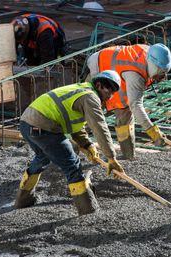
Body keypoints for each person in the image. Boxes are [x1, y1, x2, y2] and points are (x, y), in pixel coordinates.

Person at [16, 70, 125, 216]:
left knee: (42, 157)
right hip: (43, 126)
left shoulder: (81, 90)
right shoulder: (91, 97)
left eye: (113, 91)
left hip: (27, 123)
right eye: (109, 89)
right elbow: (100, 127)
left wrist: (87, 144)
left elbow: (74, 123)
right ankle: (88, 210)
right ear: (98, 85)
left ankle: (23, 200)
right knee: (72, 165)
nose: (110, 95)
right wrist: (111, 157)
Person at [84, 43, 171, 160]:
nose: (164, 76)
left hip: (116, 72)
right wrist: (153, 132)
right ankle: (73, 150)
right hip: (99, 67)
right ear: (153, 66)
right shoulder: (135, 75)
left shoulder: (149, 54)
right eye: (161, 72)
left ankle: (128, 156)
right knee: (89, 111)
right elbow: (136, 105)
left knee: (125, 114)